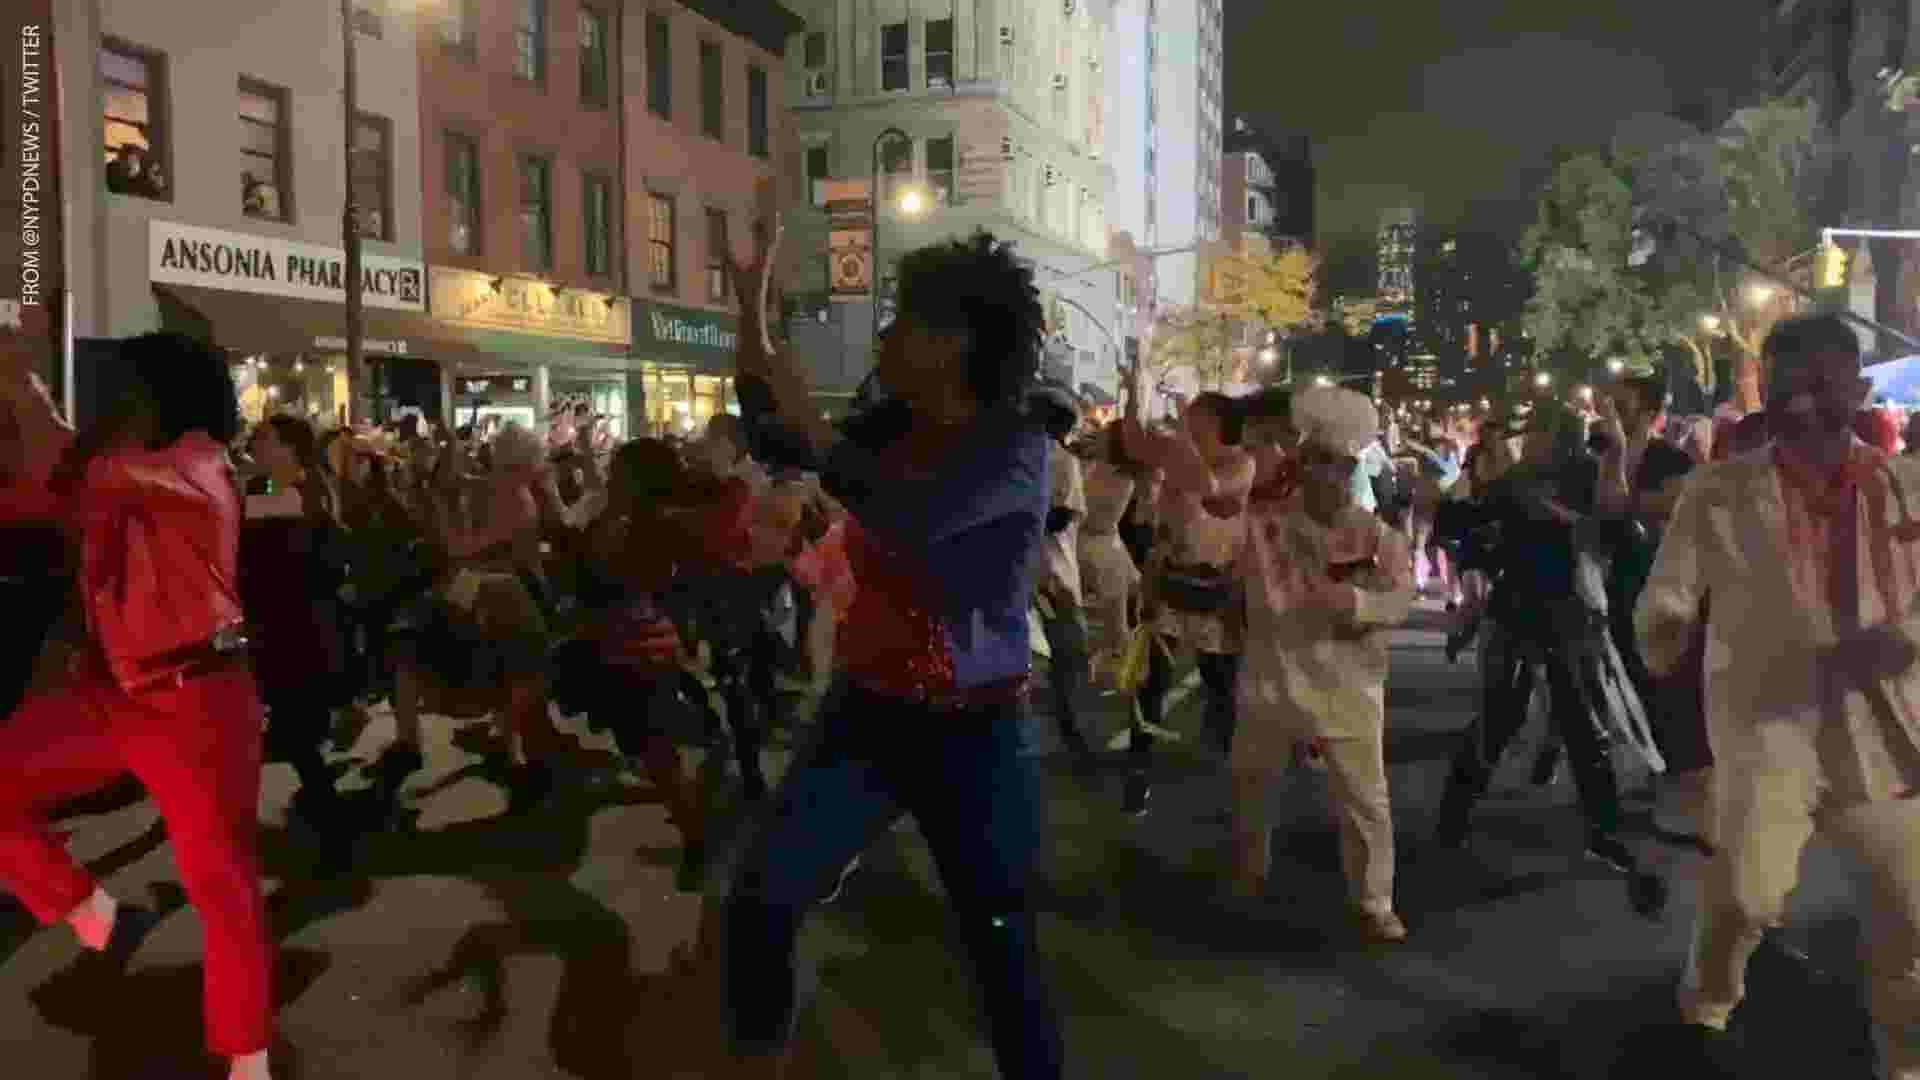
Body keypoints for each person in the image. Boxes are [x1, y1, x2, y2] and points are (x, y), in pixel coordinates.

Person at [717, 229, 1063, 1079]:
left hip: (979, 734)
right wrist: (751, 307)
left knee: (1000, 947)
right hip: (867, 716)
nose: (883, 337)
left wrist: (814, 430)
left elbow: (914, 516)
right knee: (761, 901)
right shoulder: (883, 430)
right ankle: (756, 1060)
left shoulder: (1015, 449)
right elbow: (770, 427)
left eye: (903, 320)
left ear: (957, 342)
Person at [1638, 314, 1920, 1077]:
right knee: (1745, 896)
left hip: (1887, 730)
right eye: (1788, 382)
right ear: (1767, 388)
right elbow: (1669, 588)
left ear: (1857, 388)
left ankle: (1904, 1060)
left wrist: (1908, 636)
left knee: (1911, 914)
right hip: (1767, 726)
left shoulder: (1907, 485)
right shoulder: (1719, 490)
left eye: (1823, 382)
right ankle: (1707, 998)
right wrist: (1664, 629)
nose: (1804, 400)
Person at [0, 334, 275, 1080]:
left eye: (119, 386)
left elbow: (76, 481)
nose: (107, 399)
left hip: (197, 699)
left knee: (222, 887)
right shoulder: (127, 466)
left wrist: (28, 395)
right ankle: (97, 916)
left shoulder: (195, 460)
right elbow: (39, 494)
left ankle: (248, 1061)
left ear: (157, 395)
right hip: (115, 691)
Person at [1435, 399, 1667, 915]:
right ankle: (1453, 815)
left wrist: (1611, 466)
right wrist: (1460, 524)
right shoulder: (1514, 480)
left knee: (1585, 726)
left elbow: (1621, 526)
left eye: (1541, 429)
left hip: (1572, 615)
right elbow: (1467, 528)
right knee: (1499, 718)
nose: (1532, 437)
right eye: (1532, 429)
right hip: (1518, 611)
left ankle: (1604, 832)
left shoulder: (1585, 474)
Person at [1231, 385, 1414, 943]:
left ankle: (1374, 900)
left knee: (1365, 800)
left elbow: (1400, 599)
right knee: (1251, 783)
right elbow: (1230, 579)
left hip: (1348, 685)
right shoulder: (1263, 526)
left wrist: (1357, 604)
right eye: (1313, 462)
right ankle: (1249, 871)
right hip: (1270, 675)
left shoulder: (1378, 536)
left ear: (1351, 468)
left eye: (1336, 466)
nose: (1323, 476)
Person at [1119, 391, 1254, 816]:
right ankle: (1138, 773)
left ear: (1216, 421)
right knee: (1150, 683)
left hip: (1217, 590)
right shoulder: (1181, 456)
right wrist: (1133, 391)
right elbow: (1134, 443)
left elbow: (1208, 486)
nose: (1188, 421)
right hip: (1172, 582)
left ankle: (1241, 781)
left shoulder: (1240, 463)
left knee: (1222, 688)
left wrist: (1179, 446)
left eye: (1196, 415)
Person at [1029, 383, 1096, 774]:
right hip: (1052, 576)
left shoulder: (1025, 458)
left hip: (1028, 572)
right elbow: (1063, 515)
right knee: (1069, 654)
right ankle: (1072, 736)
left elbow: (1061, 516)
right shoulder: (1060, 460)